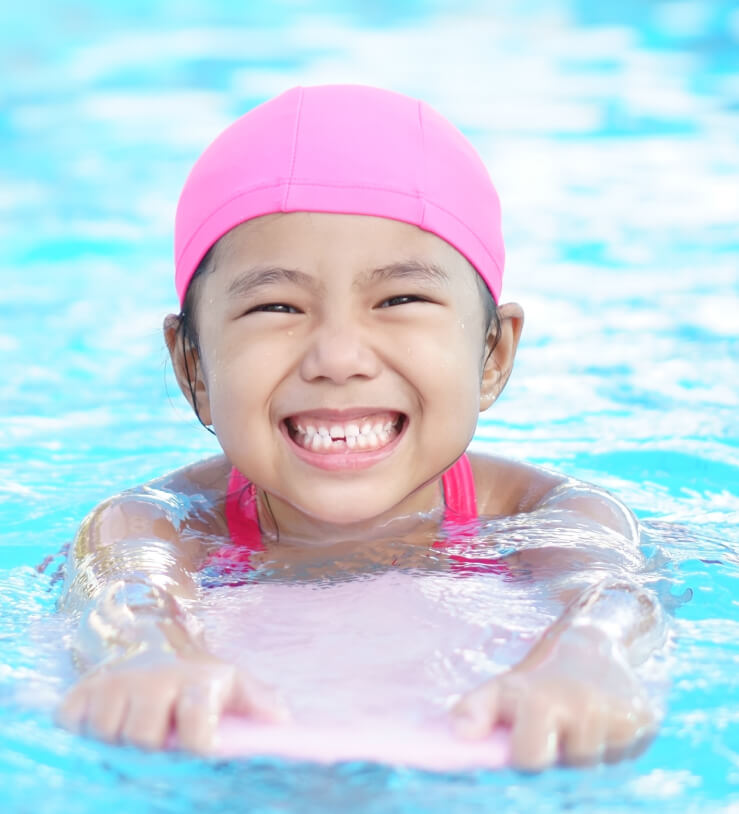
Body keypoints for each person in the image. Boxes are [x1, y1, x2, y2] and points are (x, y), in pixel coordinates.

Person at [55, 84, 667, 771]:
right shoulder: (153, 523)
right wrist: (147, 647)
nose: (338, 358)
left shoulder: (556, 517)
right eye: (276, 307)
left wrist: (585, 658)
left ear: (492, 355)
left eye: (400, 299)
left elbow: (608, 599)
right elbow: (124, 597)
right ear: (192, 367)